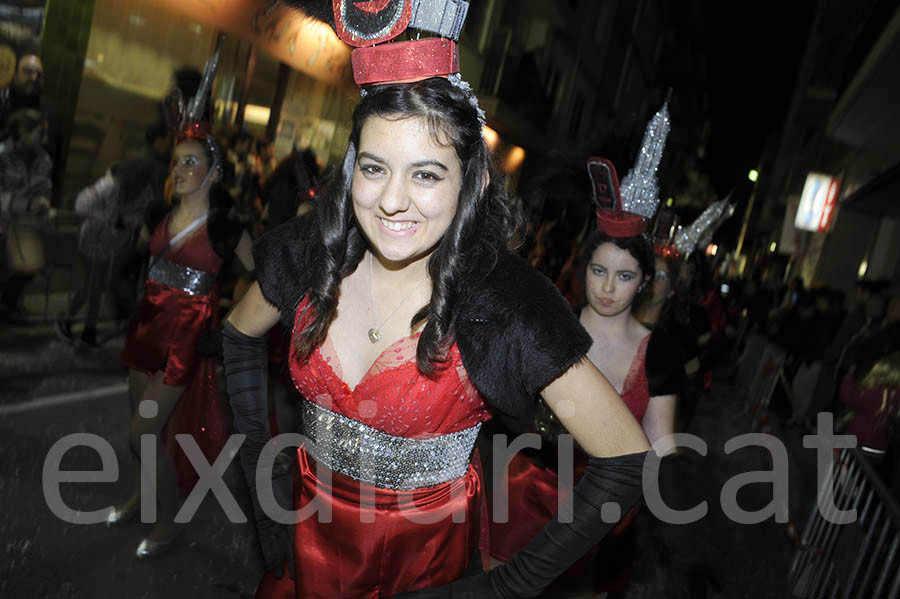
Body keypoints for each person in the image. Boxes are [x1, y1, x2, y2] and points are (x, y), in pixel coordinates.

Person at [221, 4, 649, 596]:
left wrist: (502, 587)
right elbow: (239, 336)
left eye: (425, 174)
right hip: (305, 555)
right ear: (352, 168)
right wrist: (267, 502)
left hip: (419, 568)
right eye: (375, 168)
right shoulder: (310, 249)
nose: (392, 200)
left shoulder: (504, 303)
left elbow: (626, 459)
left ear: (469, 181)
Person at [490, 139, 681, 595]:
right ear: (583, 267)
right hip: (518, 500)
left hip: (598, 525)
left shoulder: (658, 353)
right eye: (599, 271)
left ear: (644, 283)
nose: (609, 288)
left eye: (625, 276)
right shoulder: (547, 325)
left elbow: (660, 451)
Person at [105, 45, 255, 558]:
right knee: (147, 430)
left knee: (142, 431)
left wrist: (231, 324)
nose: (183, 168)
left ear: (213, 170)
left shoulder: (224, 225)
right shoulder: (159, 214)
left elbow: (263, 277)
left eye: (192, 162)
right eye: (177, 161)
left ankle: (167, 521)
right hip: (145, 328)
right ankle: (141, 495)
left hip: (184, 341)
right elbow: (140, 264)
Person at [0, 106, 52, 321]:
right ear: (22, 132)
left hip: (25, 226)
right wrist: (24, 204)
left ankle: (9, 303)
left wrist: (43, 204)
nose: (44, 138)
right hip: (3, 223)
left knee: (28, 268)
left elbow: (44, 187)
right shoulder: (3, 155)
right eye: (40, 132)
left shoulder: (43, 159)